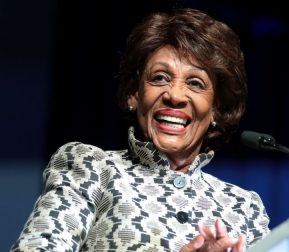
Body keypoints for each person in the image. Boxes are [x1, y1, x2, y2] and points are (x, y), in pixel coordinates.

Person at [11, 8, 270, 252]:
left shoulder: (244, 207)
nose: (175, 95)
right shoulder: (93, 167)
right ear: (135, 94)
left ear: (216, 109)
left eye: (195, 83)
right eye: (160, 78)